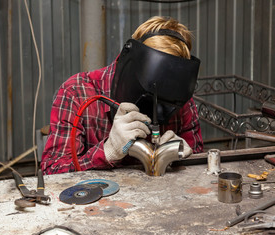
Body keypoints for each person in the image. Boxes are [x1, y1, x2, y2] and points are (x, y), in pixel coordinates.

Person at [41, 16, 203, 175]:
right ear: (128, 65)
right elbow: (53, 171)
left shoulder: (180, 99)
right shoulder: (76, 92)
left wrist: (184, 157)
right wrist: (108, 151)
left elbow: (198, 164)